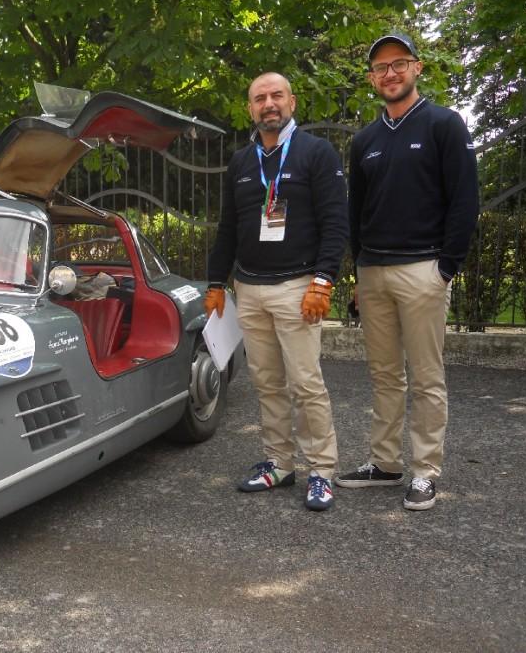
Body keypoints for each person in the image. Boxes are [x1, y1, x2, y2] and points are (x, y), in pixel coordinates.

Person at [335, 33, 479, 511]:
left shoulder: (444, 125)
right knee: (383, 375)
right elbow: (357, 212)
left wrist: (445, 269)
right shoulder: (365, 140)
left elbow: (464, 201)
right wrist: (359, 270)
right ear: (373, 78)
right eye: (380, 67)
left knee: (426, 376)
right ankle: (385, 463)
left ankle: (424, 471)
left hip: (423, 269)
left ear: (417, 68)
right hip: (373, 271)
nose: (389, 73)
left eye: (398, 64)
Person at [205, 72, 349, 511]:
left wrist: (324, 280)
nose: (268, 104)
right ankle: (279, 464)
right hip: (249, 289)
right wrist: (215, 282)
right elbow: (228, 227)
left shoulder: (317, 153)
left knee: (306, 384)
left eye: (276, 96)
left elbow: (335, 222)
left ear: (292, 101)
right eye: (259, 98)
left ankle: (321, 470)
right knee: (267, 383)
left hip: (297, 288)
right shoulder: (241, 162)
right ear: (250, 108)